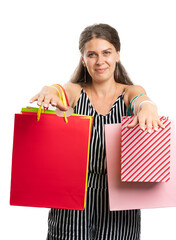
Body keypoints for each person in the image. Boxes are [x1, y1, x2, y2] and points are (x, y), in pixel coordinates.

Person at [30, 23, 164, 240]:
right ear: (83, 60)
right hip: (70, 207)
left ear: (117, 55)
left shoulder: (130, 92)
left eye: (106, 53)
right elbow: (61, 90)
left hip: (120, 209)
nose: (100, 61)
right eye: (92, 54)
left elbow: (141, 100)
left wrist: (148, 107)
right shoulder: (75, 92)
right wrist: (50, 90)